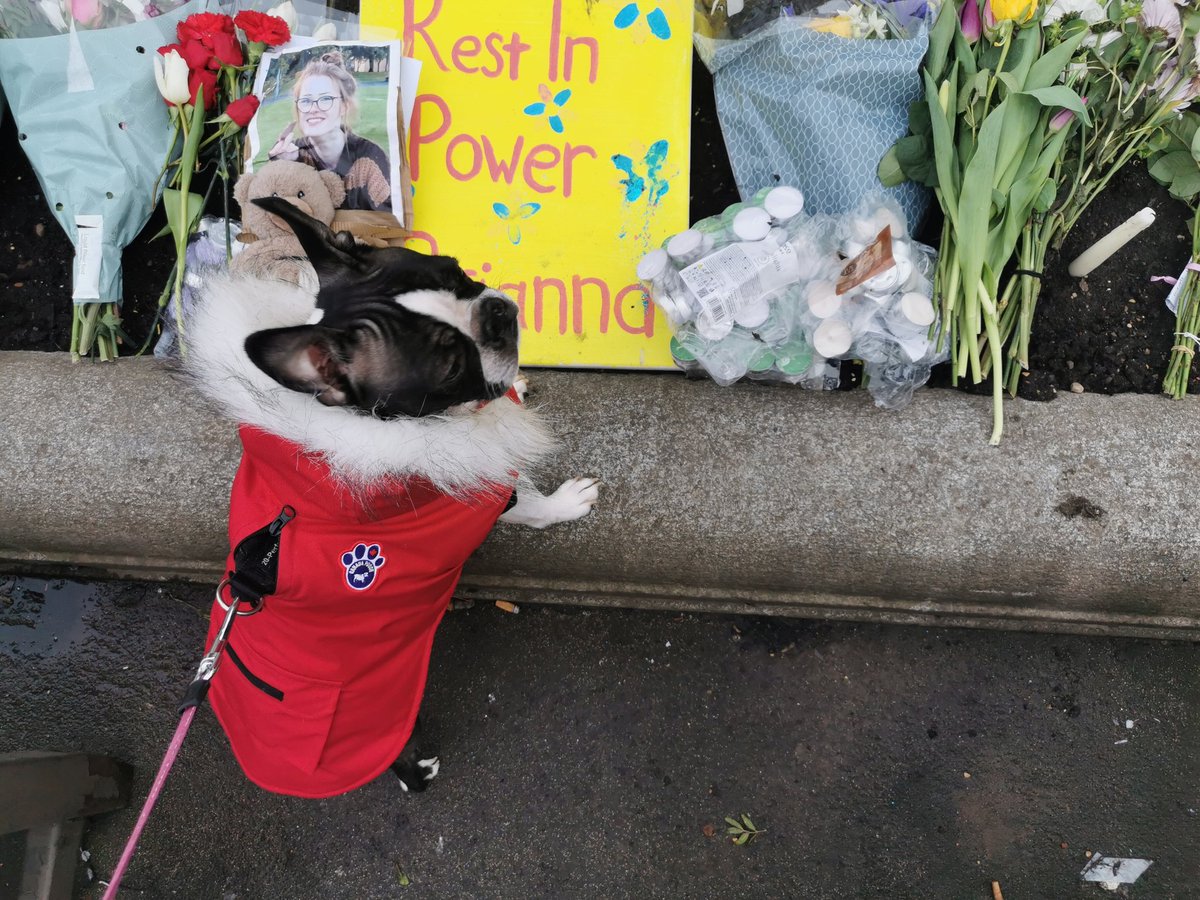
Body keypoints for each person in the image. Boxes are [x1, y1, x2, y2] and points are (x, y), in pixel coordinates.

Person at [269, 50, 392, 212]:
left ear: (344, 107)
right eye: (306, 100)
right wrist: (286, 166)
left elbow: (390, 222)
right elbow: (277, 219)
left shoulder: (370, 159)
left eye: (325, 99)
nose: (313, 109)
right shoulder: (292, 153)